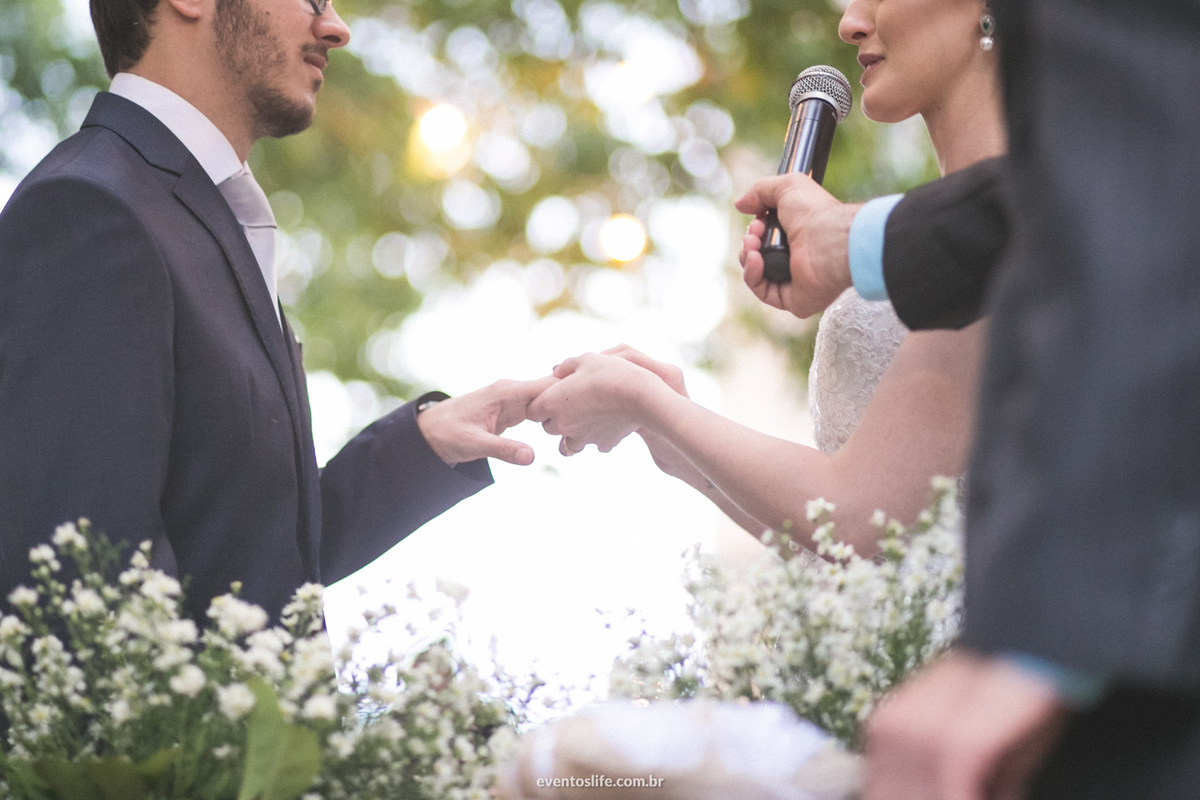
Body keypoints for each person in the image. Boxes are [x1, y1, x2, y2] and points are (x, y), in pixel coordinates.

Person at [740, 2, 1200, 797]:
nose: (849, 24)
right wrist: (855, 241)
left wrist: (1038, 640)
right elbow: (1075, 195)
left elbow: (1150, 184)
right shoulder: (989, 206)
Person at [0, 0, 553, 622]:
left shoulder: (192, 210)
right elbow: (82, 589)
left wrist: (423, 445)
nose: (336, 27)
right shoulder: (89, 210)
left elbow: (247, 557)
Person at [528, 0, 1004, 557]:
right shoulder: (926, 235)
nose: (851, 24)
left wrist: (645, 402)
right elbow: (846, 549)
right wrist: (674, 436)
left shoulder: (1014, 240)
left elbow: (855, 516)